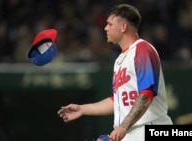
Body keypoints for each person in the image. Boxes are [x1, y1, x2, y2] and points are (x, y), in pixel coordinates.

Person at [58, 4, 173, 141]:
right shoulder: (119, 60)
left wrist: (123, 126)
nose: (106, 28)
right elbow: (117, 101)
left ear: (123, 27)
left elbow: (146, 94)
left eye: (110, 24)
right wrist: (83, 109)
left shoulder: (142, 49)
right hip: (131, 131)